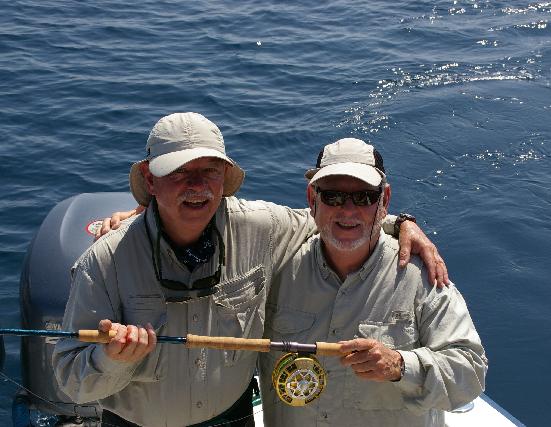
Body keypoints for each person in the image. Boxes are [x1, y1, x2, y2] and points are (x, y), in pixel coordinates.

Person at [53, 112, 448, 427]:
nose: (197, 186)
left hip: (234, 419)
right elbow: (72, 384)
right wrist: (113, 359)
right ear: (149, 181)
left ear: (225, 178)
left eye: (209, 171)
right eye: (179, 173)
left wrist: (402, 223)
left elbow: (338, 218)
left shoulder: (265, 227)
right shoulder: (104, 260)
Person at [258, 138, 487, 426]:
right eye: (333, 196)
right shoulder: (278, 265)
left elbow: (471, 372)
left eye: (364, 197)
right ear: (312, 199)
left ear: (384, 201)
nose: (348, 210)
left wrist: (401, 366)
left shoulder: (423, 275)